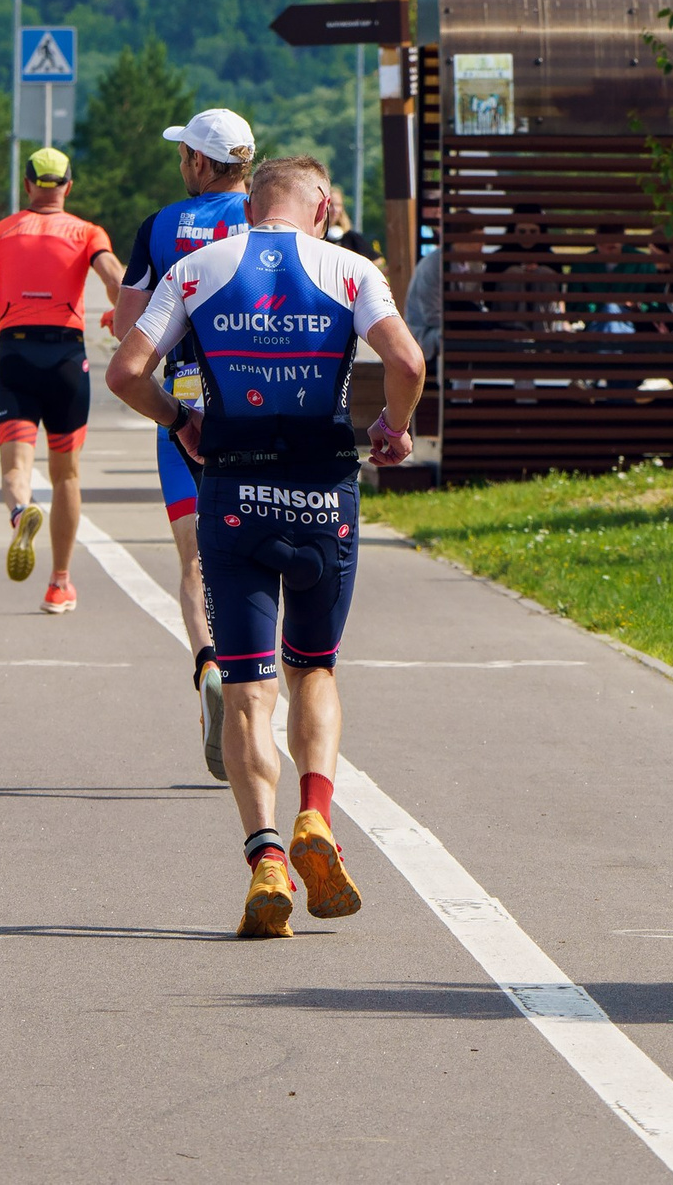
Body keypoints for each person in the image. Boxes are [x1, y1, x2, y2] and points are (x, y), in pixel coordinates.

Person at [108, 154, 425, 939]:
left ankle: (268, 858)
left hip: (234, 496)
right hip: (324, 494)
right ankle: (316, 812)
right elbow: (407, 361)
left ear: (253, 204)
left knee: (249, 688)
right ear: (320, 204)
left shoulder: (197, 268)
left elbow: (123, 370)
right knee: (314, 668)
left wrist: (179, 421)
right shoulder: (349, 269)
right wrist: (391, 427)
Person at [111, 106, 254, 781]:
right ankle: (257, 687)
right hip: (258, 395)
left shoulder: (159, 226)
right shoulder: (266, 216)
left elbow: (128, 329)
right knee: (257, 554)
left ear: (199, 162)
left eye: (183, 155)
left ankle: (208, 665)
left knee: (197, 558)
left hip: (187, 399)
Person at [0, 148, 123, 613]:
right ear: (68, 187)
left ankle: (19, 511)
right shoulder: (88, 232)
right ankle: (59, 582)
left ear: (28, 185)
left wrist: (8, 286)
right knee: (67, 474)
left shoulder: (0, 231)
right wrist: (118, 312)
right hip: (67, 360)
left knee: (16, 467)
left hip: (16, 353)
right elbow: (116, 278)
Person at [324, 187, 378, 260]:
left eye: (338, 205)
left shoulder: (351, 238)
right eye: (331, 205)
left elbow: (377, 260)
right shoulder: (315, 237)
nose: (335, 210)